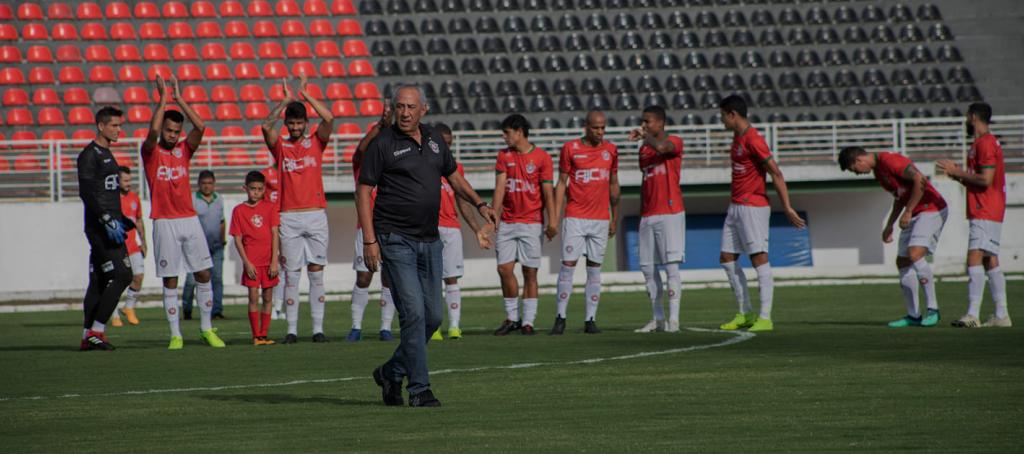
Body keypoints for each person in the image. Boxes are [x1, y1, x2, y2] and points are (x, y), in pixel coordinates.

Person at [358, 85, 496, 407]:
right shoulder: (383, 144)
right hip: (395, 239)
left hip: (430, 241)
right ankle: (419, 389)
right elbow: (363, 191)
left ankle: (391, 372)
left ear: (424, 109)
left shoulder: (434, 139)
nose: (404, 113)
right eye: (399, 107)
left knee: (434, 317)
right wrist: (369, 240)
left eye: (410, 107)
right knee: (414, 315)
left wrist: (480, 203)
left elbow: (454, 176)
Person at [141, 75, 223, 350]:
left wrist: (180, 99)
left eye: (176, 132)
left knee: (204, 274)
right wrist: (163, 101)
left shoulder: (184, 150)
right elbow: (152, 134)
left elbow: (201, 126)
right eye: (169, 131)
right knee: (171, 279)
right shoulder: (150, 152)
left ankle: (206, 329)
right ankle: (176, 334)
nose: (172, 136)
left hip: (189, 220)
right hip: (164, 222)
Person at [718, 95, 805, 333]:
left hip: (752, 206)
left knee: (758, 257)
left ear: (732, 114)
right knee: (727, 258)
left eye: (723, 116)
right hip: (735, 205)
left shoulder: (754, 140)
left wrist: (786, 206)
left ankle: (765, 317)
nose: (721, 121)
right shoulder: (737, 137)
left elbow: (776, 173)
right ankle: (745, 312)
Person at [261, 73, 335, 344]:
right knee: (291, 275)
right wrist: (284, 101)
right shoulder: (280, 146)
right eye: (290, 123)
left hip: (315, 213)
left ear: (306, 123)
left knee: (316, 272)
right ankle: (291, 330)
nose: (294, 127)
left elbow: (329, 119)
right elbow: (265, 125)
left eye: (298, 122)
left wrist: (307, 96)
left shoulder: (316, 142)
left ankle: (318, 329)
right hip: (289, 216)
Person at [838, 147, 947, 328]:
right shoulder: (879, 174)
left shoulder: (890, 160)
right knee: (903, 262)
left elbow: (920, 179)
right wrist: (890, 224)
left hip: (931, 208)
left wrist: (909, 211)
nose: (857, 173)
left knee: (914, 254)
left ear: (858, 160)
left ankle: (933, 310)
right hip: (914, 212)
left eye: (854, 169)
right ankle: (914, 315)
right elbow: (900, 197)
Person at [936, 102, 1011, 328]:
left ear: (974, 117)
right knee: (990, 259)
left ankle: (972, 314)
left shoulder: (985, 143)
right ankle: (1001, 314)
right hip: (989, 207)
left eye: (967, 116)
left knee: (974, 257)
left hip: (985, 208)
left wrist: (957, 172)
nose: (966, 120)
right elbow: (978, 179)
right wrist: (957, 175)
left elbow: (985, 180)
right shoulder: (982, 142)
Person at [550, 111, 620, 335]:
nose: (600, 132)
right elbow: (561, 183)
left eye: (603, 128)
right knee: (568, 265)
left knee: (594, 269)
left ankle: (590, 319)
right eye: (595, 128)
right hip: (576, 216)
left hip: (600, 219)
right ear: (586, 127)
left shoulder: (611, 150)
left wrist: (614, 216)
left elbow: (614, 184)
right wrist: (554, 216)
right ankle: (560, 317)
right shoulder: (570, 148)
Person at [492, 114, 556, 336]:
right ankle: (512, 318)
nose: (504, 137)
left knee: (530, 272)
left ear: (519, 131)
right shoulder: (503, 155)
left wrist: (553, 220)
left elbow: (548, 192)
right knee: (504, 269)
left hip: (532, 222)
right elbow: (500, 188)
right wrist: (494, 215)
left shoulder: (542, 158)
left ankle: (528, 322)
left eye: (507, 133)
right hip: (508, 222)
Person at [77, 106, 134, 350]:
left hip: (111, 223)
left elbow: (107, 192)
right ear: (101, 126)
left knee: (99, 280)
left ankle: (87, 335)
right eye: (114, 125)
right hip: (100, 228)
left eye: (120, 125)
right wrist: (105, 218)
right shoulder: (90, 155)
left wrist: (120, 218)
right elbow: (87, 192)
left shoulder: (108, 154)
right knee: (123, 275)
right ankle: (97, 331)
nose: (119, 129)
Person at [431, 123, 493, 340]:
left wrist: (476, 230)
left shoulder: (455, 169)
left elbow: (463, 202)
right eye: (444, 143)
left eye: (450, 144)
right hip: (428, 229)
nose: (447, 148)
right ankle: (434, 326)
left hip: (451, 229)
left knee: (451, 278)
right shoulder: (424, 164)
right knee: (431, 279)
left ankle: (455, 326)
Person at [629, 106, 686, 334]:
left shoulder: (674, 141)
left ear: (660, 123)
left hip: (670, 213)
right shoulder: (644, 150)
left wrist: (645, 138)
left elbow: (662, 147)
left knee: (671, 268)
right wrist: (642, 212)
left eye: (648, 121)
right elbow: (645, 181)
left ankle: (674, 320)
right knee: (647, 269)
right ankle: (657, 318)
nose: (644, 125)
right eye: (642, 122)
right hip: (649, 215)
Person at [348, 105, 398, 342]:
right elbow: (359, 150)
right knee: (364, 277)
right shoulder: (361, 166)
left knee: (389, 277)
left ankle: (385, 328)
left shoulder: (391, 167)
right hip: (365, 229)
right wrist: (380, 124)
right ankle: (356, 326)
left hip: (390, 227)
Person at [231, 171, 281, 345]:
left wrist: (275, 260)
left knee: (268, 298)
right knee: (253, 298)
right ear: (246, 188)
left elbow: (275, 233)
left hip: (268, 262)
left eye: (260, 189)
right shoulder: (238, 210)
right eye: (253, 189)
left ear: (264, 189)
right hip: (252, 263)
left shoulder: (271, 207)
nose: (256, 192)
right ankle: (255, 336)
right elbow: (237, 238)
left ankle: (264, 335)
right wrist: (246, 262)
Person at [182, 170, 225, 320]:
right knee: (191, 281)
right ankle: (187, 309)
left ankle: (217, 311)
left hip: (216, 246)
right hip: (197, 247)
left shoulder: (219, 198)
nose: (207, 186)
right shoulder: (192, 199)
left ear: (214, 184)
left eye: (210, 183)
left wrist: (223, 239)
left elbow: (221, 220)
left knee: (217, 279)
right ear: (199, 184)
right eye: (204, 183)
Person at [110, 165, 146, 327]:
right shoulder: (111, 199)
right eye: (125, 180)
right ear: (117, 181)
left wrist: (143, 241)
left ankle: (129, 307)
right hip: (116, 248)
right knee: (116, 281)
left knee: (138, 276)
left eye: (129, 180)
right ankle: (114, 314)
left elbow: (138, 220)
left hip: (132, 246)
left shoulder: (134, 198)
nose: (128, 183)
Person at [260, 162, 286, 321]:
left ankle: (278, 307)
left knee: (284, 265)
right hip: (270, 222)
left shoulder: (290, 172)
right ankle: (267, 306)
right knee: (267, 264)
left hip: (286, 220)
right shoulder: (266, 173)